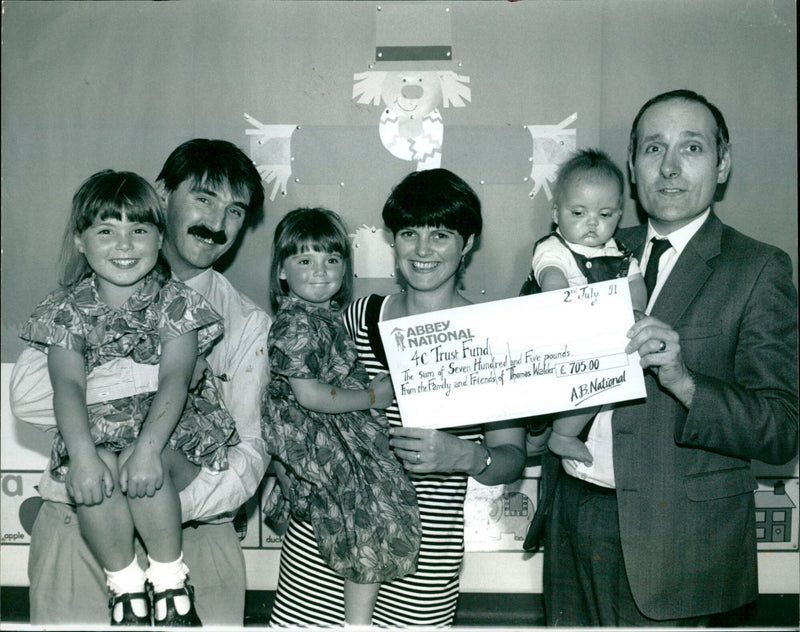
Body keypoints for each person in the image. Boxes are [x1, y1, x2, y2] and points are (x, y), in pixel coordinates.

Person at [541, 89, 798, 626]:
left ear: (723, 164)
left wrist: (684, 381)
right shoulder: (588, 241)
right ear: (632, 166)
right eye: (654, 149)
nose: (671, 167)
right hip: (570, 518)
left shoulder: (758, 268)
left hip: (678, 549)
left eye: (693, 148)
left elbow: (780, 430)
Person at [10, 139, 271, 626]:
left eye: (235, 210)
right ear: (162, 194)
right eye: (204, 198)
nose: (217, 223)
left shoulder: (247, 320)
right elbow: (27, 396)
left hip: (196, 536)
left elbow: (250, 451)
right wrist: (164, 372)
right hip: (80, 529)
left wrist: (151, 497)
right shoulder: (75, 301)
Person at [268, 169, 528, 627]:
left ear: (467, 243)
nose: (423, 250)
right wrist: (284, 467)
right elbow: (285, 397)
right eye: (410, 233)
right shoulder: (352, 317)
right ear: (394, 240)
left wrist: (464, 456)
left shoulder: (493, 338)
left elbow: (511, 460)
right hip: (320, 555)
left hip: (421, 572)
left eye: (441, 235)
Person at [262, 208, 421, 625]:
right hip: (314, 431)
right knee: (371, 508)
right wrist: (372, 395)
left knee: (380, 502)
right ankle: (358, 622)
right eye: (305, 260)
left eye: (331, 260)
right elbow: (310, 396)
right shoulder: (296, 323)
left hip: (331, 429)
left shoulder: (326, 316)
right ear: (282, 271)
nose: (320, 271)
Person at [522, 149, 647, 464]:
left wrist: (634, 312)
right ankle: (536, 431)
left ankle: (563, 435)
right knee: (536, 399)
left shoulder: (618, 254)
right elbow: (552, 277)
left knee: (605, 381)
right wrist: (563, 306)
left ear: (619, 214)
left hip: (595, 342)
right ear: (556, 213)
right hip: (552, 333)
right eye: (578, 213)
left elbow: (634, 284)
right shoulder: (554, 248)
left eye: (604, 215)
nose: (592, 223)